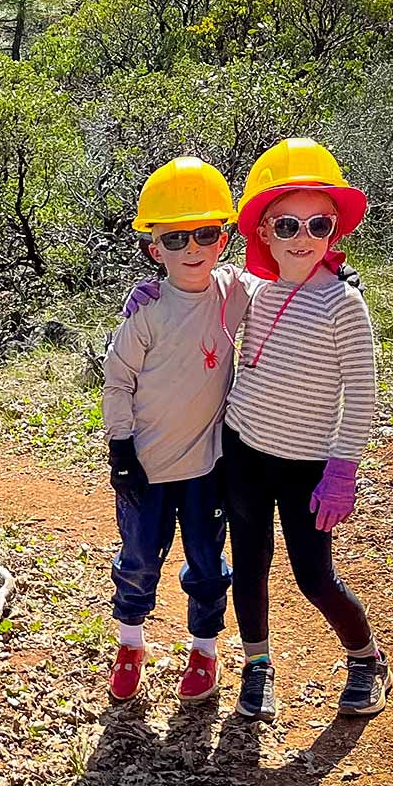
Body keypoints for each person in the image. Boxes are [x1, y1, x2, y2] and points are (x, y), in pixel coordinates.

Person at [222, 138, 389, 722]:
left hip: (306, 468)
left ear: (333, 233)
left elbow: (362, 394)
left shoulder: (345, 305)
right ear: (264, 231)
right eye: (287, 223)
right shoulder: (254, 290)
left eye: (318, 223)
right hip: (242, 454)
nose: (302, 235)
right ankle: (258, 666)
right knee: (250, 564)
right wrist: (150, 295)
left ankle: (366, 658)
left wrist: (343, 469)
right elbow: (195, 295)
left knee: (315, 577)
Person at [103, 157, 256, 705]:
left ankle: (203, 651)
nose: (192, 248)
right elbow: (117, 379)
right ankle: (130, 644)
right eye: (176, 238)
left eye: (206, 233)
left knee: (207, 563)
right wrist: (120, 446)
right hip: (145, 464)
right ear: (154, 248)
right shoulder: (145, 312)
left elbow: (288, 280)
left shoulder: (235, 293)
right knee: (140, 559)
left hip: (207, 467)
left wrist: (332, 274)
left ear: (224, 238)